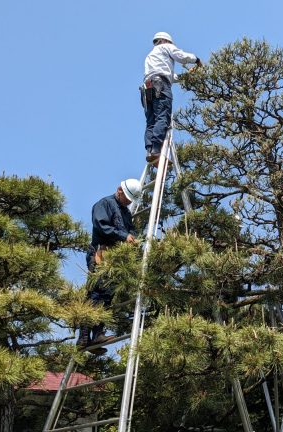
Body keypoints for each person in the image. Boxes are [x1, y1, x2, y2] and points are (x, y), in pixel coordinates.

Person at [77, 178, 141, 354]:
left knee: (107, 295)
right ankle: (83, 338)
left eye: (130, 199)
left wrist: (133, 237)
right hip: (100, 253)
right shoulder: (104, 204)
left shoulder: (126, 213)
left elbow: (131, 230)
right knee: (95, 293)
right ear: (119, 190)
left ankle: (97, 334)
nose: (128, 201)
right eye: (127, 197)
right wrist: (123, 236)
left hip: (113, 259)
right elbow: (101, 225)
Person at [142, 31, 201, 164]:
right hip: (160, 85)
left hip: (148, 87)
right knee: (163, 116)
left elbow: (168, 75)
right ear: (164, 41)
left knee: (152, 120)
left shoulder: (150, 56)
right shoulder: (165, 47)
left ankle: (151, 150)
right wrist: (196, 59)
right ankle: (157, 149)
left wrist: (185, 76)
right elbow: (180, 56)